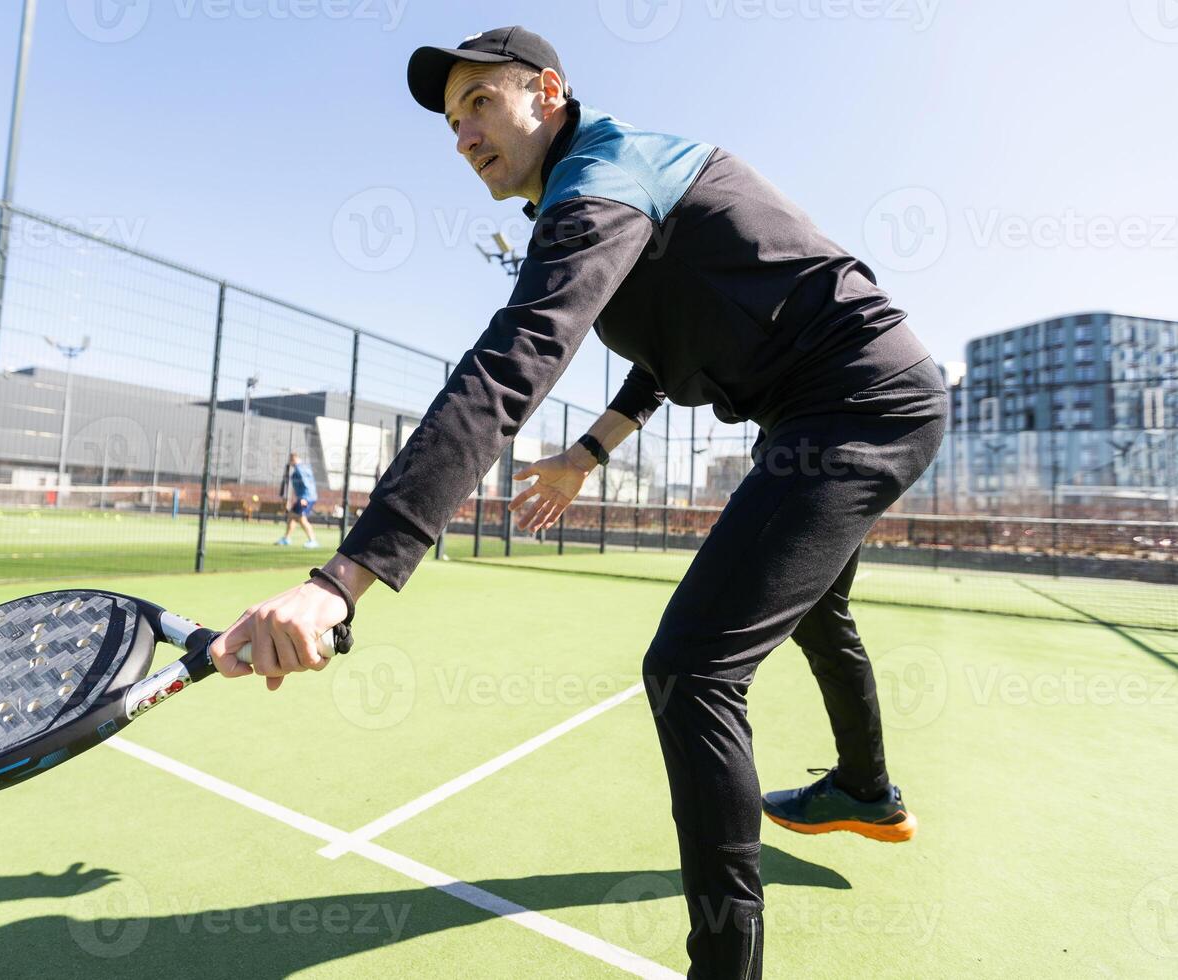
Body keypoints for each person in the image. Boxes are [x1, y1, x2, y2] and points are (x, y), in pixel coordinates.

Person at [208, 27, 947, 978]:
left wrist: (342, 578)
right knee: (819, 613)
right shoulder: (624, 181)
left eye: (480, 103)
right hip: (830, 406)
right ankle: (866, 790)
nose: (463, 134)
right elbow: (666, 345)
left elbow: (509, 366)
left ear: (548, 91)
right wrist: (587, 455)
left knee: (691, 670)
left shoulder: (597, 183)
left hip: (856, 407)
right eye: (450, 120)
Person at [275, 452, 320, 549]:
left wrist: (304, 498)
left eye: (290, 460)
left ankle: (313, 540)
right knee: (292, 515)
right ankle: (286, 538)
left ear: (293, 459)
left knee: (301, 518)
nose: (289, 462)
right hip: (305, 497)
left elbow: (307, 484)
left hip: (306, 498)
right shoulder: (301, 468)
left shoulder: (300, 469)